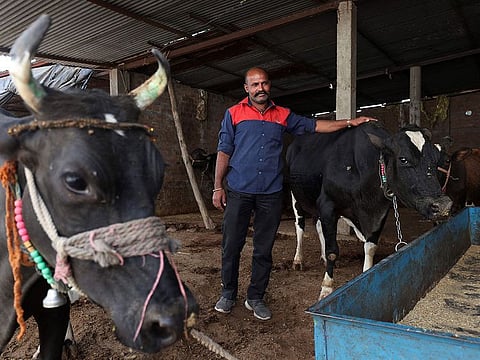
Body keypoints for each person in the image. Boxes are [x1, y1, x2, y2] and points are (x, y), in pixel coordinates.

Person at [212, 67, 376, 321]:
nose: (260, 89)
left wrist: (349, 122)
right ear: (246, 88)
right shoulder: (233, 114)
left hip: (270, 192)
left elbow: (315, 126)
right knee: (232, 245)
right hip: (239, 190)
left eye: (264, 83)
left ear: (269, 86)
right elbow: (224, 151)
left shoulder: (283, 115)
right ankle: (228, 293)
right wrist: (218, 186)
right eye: (254, 85)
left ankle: (255, 297)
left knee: (264, 249)